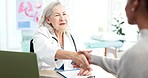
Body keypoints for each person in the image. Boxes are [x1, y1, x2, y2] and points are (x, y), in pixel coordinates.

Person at [78, 0, 148, 78]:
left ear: (135, 3)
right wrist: (92, 58)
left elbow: (131, 63)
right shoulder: (137, 56)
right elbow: (126, 65)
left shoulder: (137, 54)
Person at [33, 1, 92, 75]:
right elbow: (45, 50)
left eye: (64, 14)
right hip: (47, 75)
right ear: (48, 20)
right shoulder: (41, 32)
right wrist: (73, 55)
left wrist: (84, 66)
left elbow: (83, 55)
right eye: (57, 15)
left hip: (71, 75)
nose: (62, 18)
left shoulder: (72, 35)